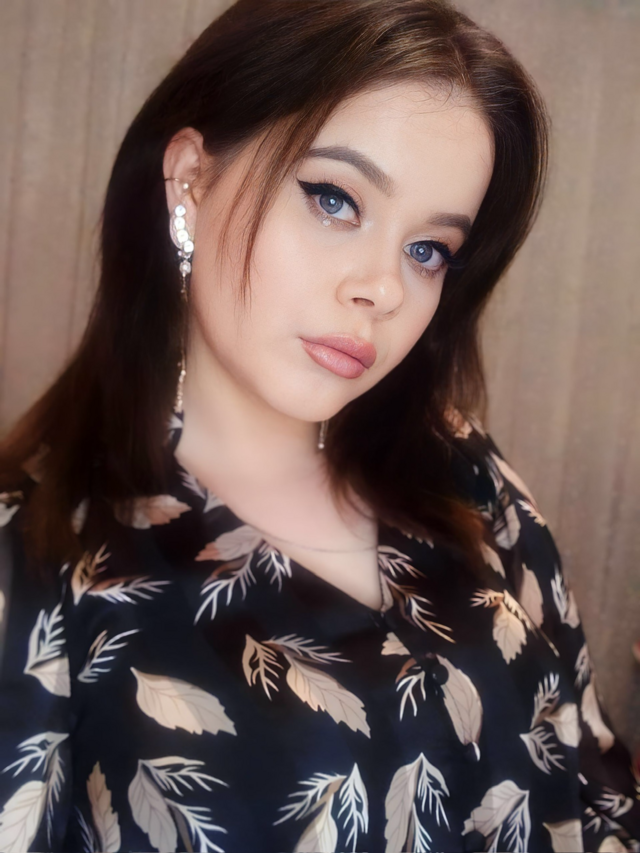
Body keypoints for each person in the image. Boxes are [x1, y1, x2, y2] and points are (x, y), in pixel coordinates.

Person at [0, 0, 638, 850]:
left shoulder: (459, 465)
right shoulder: (39, 556)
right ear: (191, 179)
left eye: (428, 249)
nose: (382, 287)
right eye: (334, 199)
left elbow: (595, 780)